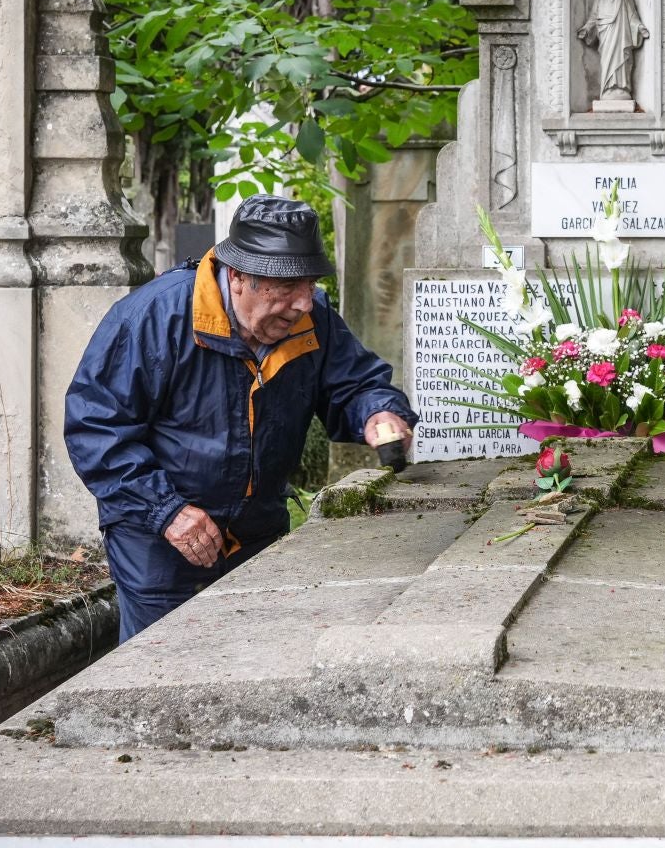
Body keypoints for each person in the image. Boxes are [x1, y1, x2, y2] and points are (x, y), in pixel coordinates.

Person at [65, 194, 415, 641]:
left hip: (257, 532)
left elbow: (356, 383)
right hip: (160, 537)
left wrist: (377, 411)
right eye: (287, 288)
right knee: (160, 670)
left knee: (253, 663)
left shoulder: (312, 319)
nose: (304, 303)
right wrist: (166, 511)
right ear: (238, 279)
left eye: (308, 284)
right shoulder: (154, 317)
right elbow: (96, 427)